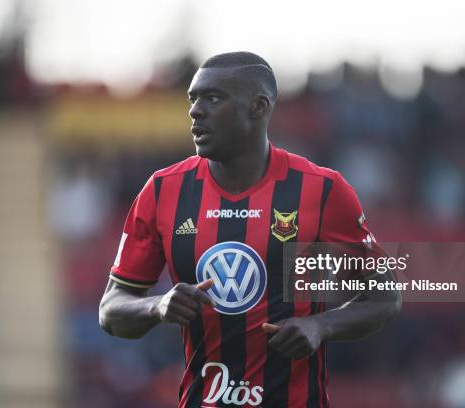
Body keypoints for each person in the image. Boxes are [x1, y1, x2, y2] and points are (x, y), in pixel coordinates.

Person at [99, 51, 401, 408]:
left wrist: (322, 326)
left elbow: (385, 296)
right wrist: (156, 306)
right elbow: (111, 308)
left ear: (259, 107)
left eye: (213, 98)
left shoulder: (322, 190)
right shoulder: (163, 191)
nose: (195, 111)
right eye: (193, 99)